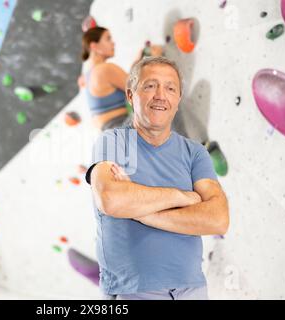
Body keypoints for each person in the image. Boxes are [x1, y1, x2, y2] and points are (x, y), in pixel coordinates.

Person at [85, 56, 229, 300]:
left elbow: (217, 219)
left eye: (170, 88)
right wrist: (181, 196)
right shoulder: (114, 142)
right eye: (150, 86)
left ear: (178, 99)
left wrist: (140, 211)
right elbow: (110, 199)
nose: (161, 95)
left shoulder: (195, 152)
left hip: (192, 288)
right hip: (134, 290)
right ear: (131, 96)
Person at [80, 27, 163, 131]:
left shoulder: (89, 74)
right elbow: (140, 89)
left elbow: (127, 82)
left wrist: (137, 64)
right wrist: (156, 58)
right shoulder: (104, 69)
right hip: (122, 128)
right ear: (94, 46)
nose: (113, 43)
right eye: (108, 38)